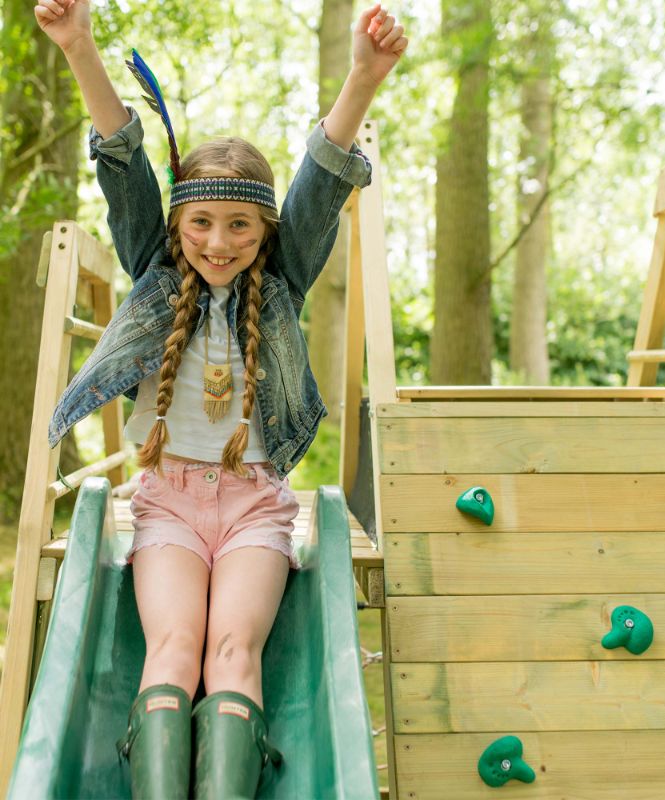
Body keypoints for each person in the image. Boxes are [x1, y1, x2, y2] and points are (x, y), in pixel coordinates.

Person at [35, 0, 407, 796]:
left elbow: (322, 173)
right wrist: (79, 47)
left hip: (254, 509)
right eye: (202, 221)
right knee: (173, 651)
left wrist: (363, 78)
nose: (218, 242)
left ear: (267, 233)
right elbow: (124, 161)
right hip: (167, 505)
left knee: (231, 652)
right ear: (178, 225)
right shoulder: (154, 269)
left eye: (241, 225)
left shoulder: (281, 281)